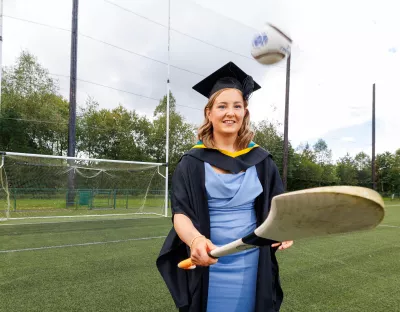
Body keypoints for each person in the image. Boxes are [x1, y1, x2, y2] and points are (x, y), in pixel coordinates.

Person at [156, 62, 293, 312]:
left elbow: (278, 209)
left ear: (245, 112)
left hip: (254, 262)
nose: (230, 113)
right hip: (209, 260)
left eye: (237, 106)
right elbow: (181, 213)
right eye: (222, 106)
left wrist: (284, 230)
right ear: (209, 113)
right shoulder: (192, 162)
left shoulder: (261, 161)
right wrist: (196, 240)